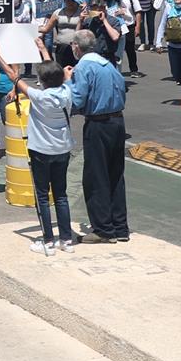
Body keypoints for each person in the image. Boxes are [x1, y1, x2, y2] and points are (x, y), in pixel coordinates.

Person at [0, 45, 76, 254]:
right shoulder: (67, 91)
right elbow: (55, 72)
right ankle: (66, 239)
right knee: (61, 195)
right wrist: (43, 50)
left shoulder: (39, 97)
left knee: (42, 196)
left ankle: (48, 241)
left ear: (43, 81)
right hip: (62, 149)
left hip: (41, 151)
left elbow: (13, 76)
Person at [67, 32, 129, 243]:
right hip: (117, 121)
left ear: (77, 46)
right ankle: (120, 227)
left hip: (98, 123)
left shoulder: (83, 67)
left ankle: (103, 229)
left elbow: (77, 100)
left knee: (96, 177)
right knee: (115, 175)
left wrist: (67, 82)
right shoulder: (107, 64)